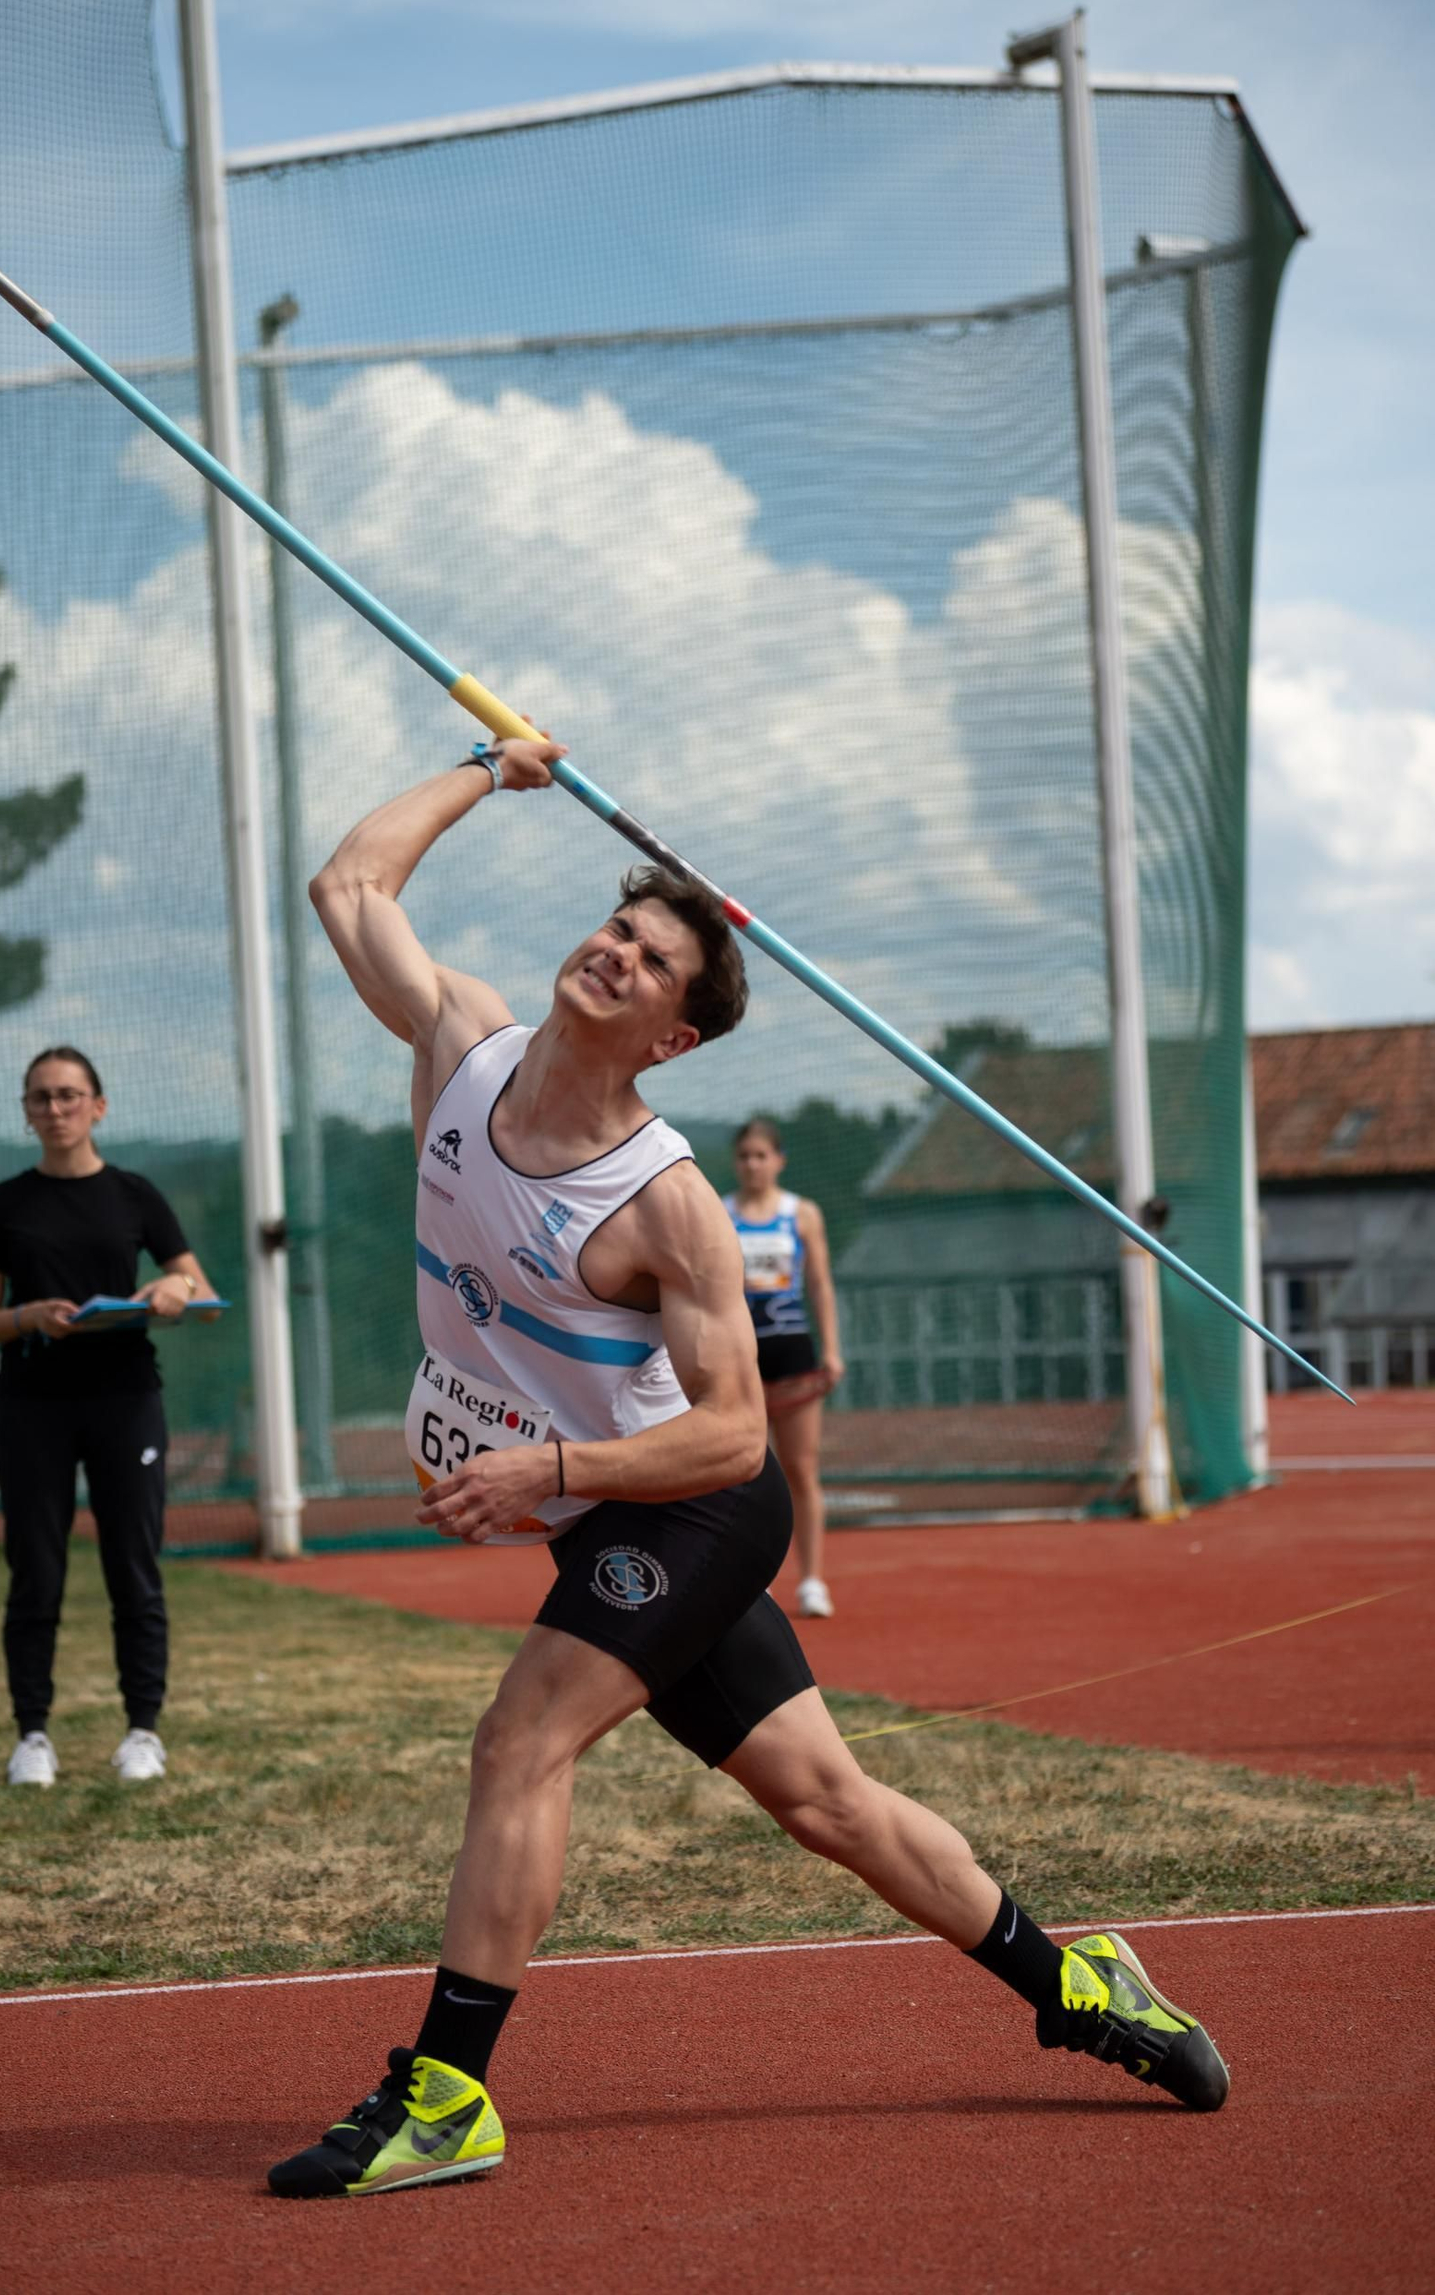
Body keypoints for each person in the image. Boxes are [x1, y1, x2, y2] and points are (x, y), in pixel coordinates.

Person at [269, 732, 1227, 2200]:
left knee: (520, 1743)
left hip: (700, 1508)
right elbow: (350, 881)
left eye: (650, 961)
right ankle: (1079, 1983)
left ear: (676, 1036)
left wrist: (550, 1469)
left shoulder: (671, 1208)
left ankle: (451, 2096)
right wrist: (486, 767)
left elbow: (732, 1436)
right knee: (829, 1806)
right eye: (616, 926)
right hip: (602, 1508)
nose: (614, 952)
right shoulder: (457, 1040)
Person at [0, 1046, 217, 1790]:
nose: (55, 1109)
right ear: (26, 1111)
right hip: (32, 1406)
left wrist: (172, 1290)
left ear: (98, 1107)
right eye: (41, 1097)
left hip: (126, 1401)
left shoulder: (136, 1195)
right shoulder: (4, 1203)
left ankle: (142, 1731)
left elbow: (198, 1293)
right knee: (35, 1572)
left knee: (132, 1569)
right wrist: (28, 1316)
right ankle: (32, 1738)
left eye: (70, 1095)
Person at [726, 1117, 843, 1619]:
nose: (753, 1164)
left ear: (779, 1160)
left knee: (800, 1469)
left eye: (761, 1155)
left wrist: (832, 1349)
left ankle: (813, 1580)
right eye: (745, 1156)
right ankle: (755, 1582)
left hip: (792, 1352)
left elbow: (819, 1283)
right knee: (745, 1471)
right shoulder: (719, 1211)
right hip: (739, 1356)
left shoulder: (802, 1213)